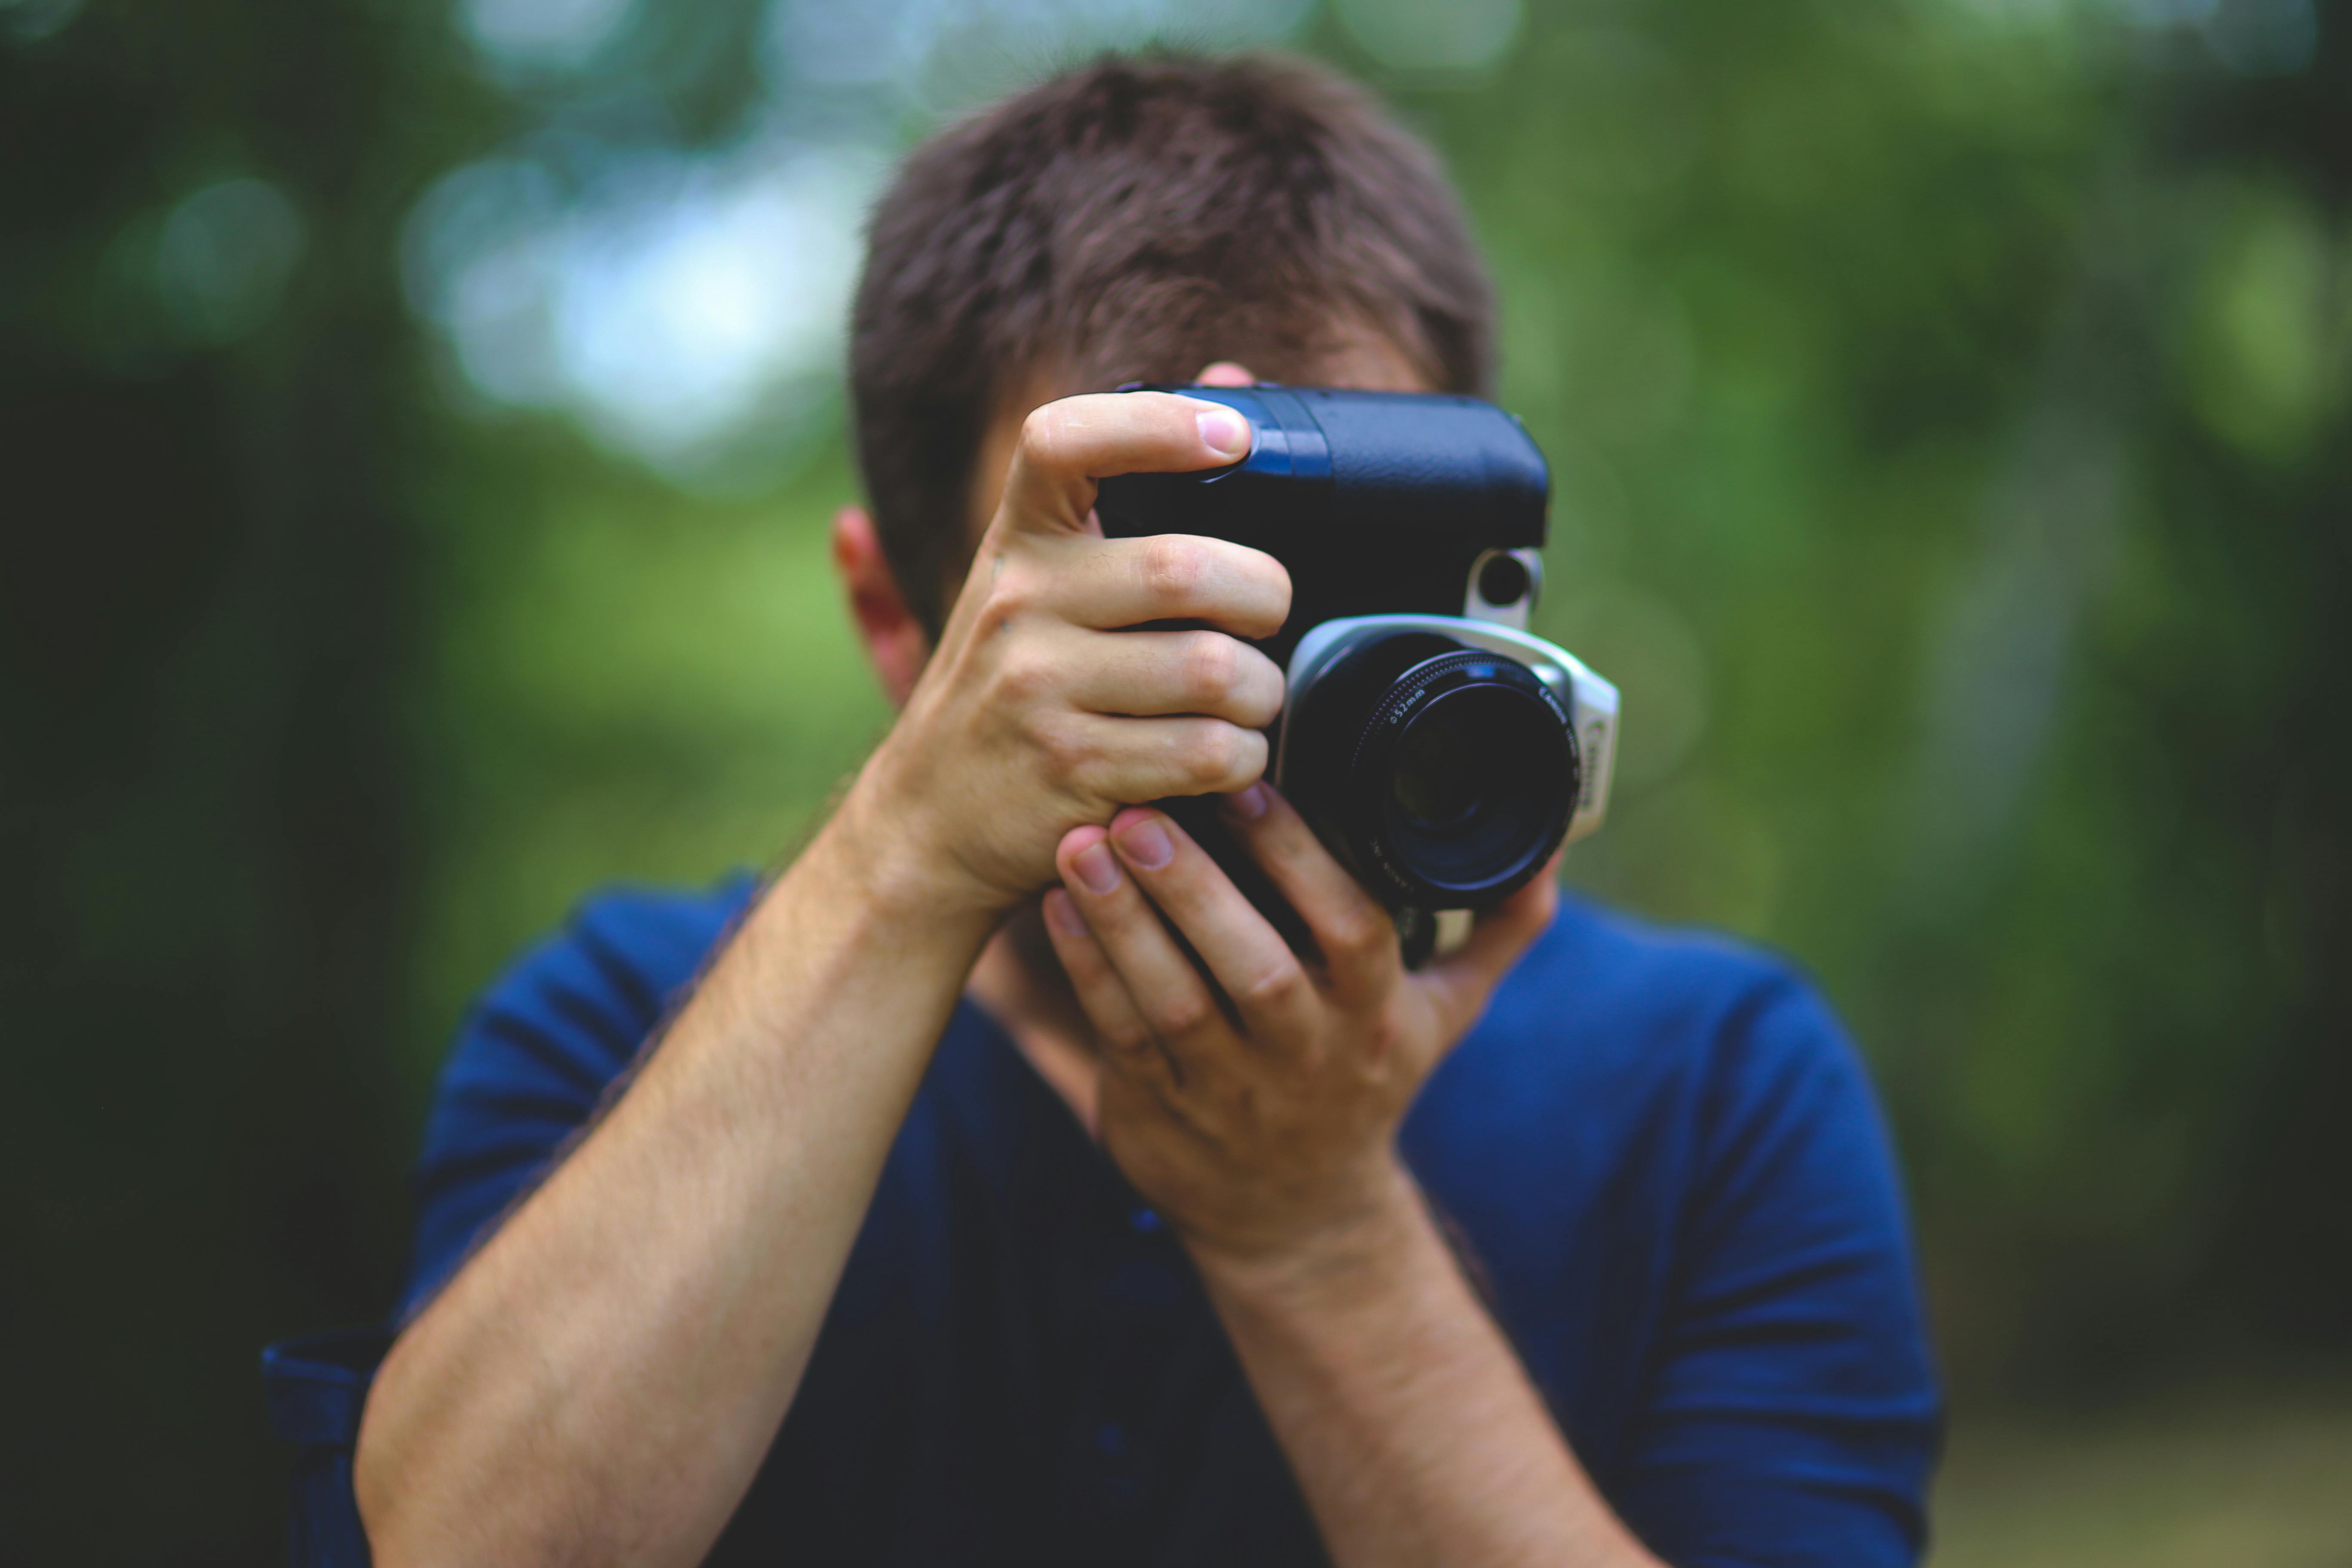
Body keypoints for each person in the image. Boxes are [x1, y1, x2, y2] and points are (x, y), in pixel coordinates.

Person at [351, 52, 1939, 1568]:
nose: (1247, 705)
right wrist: (907, 857)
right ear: (902, 624)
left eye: (1356, 594)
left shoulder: (1712, 1085)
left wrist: (1313, 1235)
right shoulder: (625, 1030)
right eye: (1134, 606)